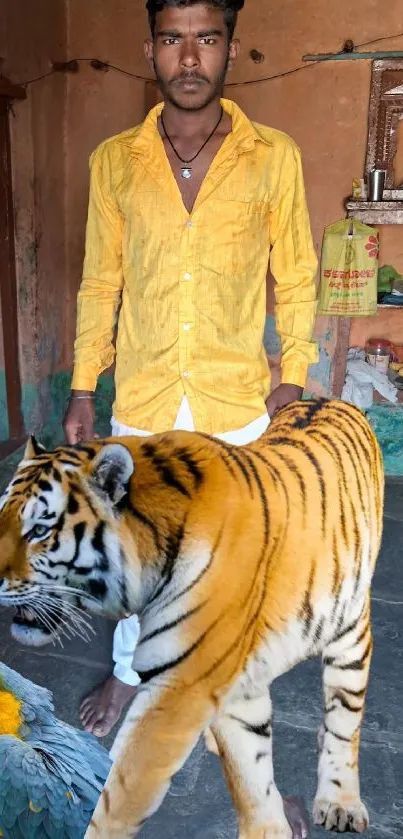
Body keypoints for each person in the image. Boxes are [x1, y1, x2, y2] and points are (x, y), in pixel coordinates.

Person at [63, 1, 318, 834]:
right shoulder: (116, 162)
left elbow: (298, 272)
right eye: (173, 38)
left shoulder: (270, 157)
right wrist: (80, 384)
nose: (189, 56)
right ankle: (129, 673)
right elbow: (101, 280)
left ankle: (241, 752)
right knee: (137, 557)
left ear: (229, 49)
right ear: (151, 49)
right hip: (140, 399)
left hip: (232, 403)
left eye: (205, 38)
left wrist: (296, 373)